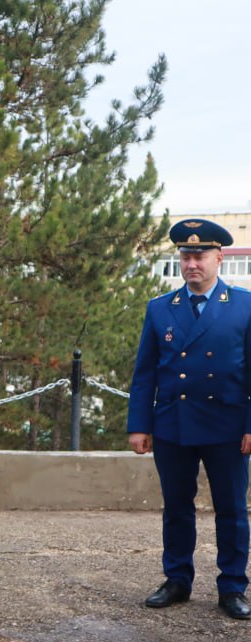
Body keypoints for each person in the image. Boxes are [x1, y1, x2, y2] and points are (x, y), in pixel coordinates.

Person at [127, 217, 251, 620]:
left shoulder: (244, 305)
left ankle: (232, 586)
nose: (192, 264)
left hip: (227, 426)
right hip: (173, 424)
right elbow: (145, 373)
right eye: (185, 257)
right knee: (177, 507)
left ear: (219, 258)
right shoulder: (161, 308)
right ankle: (177, 580)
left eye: (200, 256)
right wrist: (139, 425)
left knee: (232, 510)